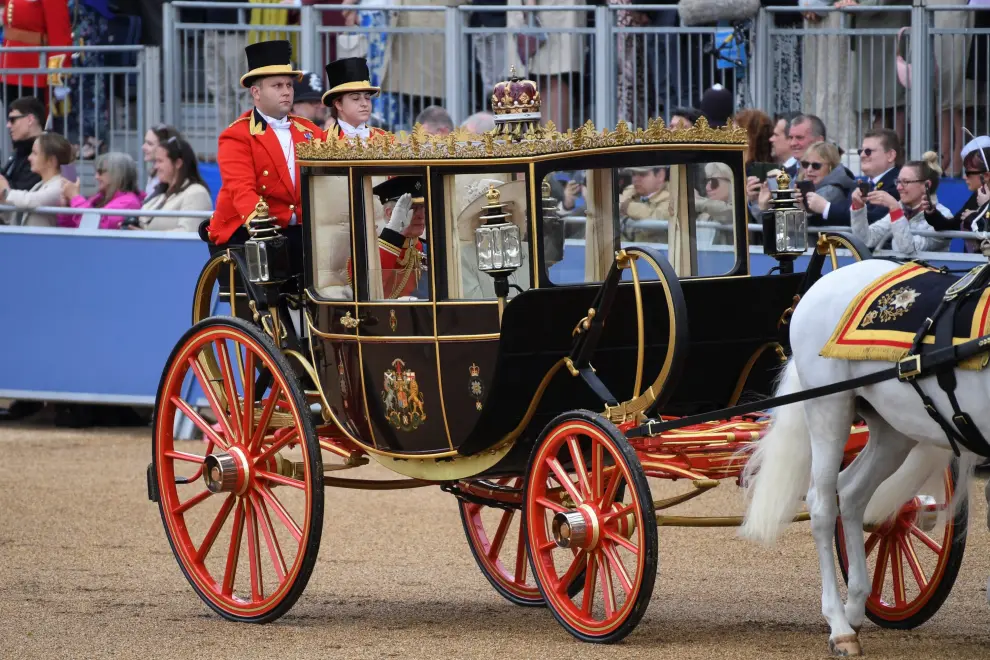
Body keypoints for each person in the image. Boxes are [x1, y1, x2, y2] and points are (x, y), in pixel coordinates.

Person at [208, 40, 324, 249]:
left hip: (299, 229)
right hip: (249, 231)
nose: (287, 91)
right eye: (277, 86)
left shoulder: (310, 131)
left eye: (289, 85)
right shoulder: (236, 135)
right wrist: (260, 224)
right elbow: (241, 188)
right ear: (256, 93)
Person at [849, 151, 951, 255]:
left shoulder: (944, 216)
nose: (898, 187)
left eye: (905, 182)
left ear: (926, 185)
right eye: (898, 181)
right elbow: (866, 240)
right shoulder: (902, 209)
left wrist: (895, 209)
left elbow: (908, 249)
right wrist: (858, 208)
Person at [820, 128, 902, 226]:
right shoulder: (861, 184)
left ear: (890, 155)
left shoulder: (898, 184)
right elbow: (845, 213)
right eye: (861, 151)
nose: (862, 155)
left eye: (868, 151)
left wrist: (825, 208)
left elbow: (873, 220)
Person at [0, 0, 72, 106]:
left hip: (34, 73)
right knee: (12, 120)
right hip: (8, 70)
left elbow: (59, 35)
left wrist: (57, 77)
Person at [137, 137, 213, 232]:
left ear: (178, 163)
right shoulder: (161, 193)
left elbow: (188, 233)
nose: (156, 166)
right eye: (155, 161)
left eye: (160, 161)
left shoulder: (197, 193)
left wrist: (145, 235)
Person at [0, 132, 72, 226]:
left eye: (35, 153)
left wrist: (5, 191)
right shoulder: (40, 185)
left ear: (51, 161)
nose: (29, 158)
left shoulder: (61, 186)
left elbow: (31, 201)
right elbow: (18, 213)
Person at [373, 176, 428, 299]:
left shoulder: (431, 251)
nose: (421, 215)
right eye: (412, 208)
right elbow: (369, 286)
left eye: (423, 207)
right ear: (390, 213)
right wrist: (393, 231)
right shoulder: (368, 255)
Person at [59, 152, 142, 229]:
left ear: (116, 174)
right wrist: (67, 206)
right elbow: (73, 228)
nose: (96, 177)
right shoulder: (99, 198)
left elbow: (95, 226)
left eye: (100, 172)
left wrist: (75, 197)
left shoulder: (129, 203)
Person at [323, 57, 389, 140]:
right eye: (355, 98)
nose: (365, 104)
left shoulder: (386, 140)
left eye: (367, 98)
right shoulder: (321, 142)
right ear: (338, 104)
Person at [792, 142, 855, 226]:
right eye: (805, 164)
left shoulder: (831, 190)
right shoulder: (811, 186)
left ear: (831, 167)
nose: (809, 170)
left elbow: (801, 223)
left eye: (816, 166)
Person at [618, 166, 673, 243]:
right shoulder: (629, 191)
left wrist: (626, 206)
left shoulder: (674, 196)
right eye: (633, 174)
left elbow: (655, 221)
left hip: (656, 253)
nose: (635, 179)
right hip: (626, 252)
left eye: (642, 174)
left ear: (660, 175)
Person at [3, 96, 45, 192]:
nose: (8, 125)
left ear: (30, 120)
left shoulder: (49, 150)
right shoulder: (22, 149)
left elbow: (19, 192)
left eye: (13, 120)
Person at [141, 124, 182, 198]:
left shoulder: (171, 179)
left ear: (165, 147)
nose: (143, 147)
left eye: (150, 144)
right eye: (145, 142)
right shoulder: (154, 173)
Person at [785, 114, 826, 180]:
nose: (793, 143)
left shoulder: (832, 176)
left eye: (799, 137)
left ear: (819, 141)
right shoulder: (786, 173)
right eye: (791, 138)